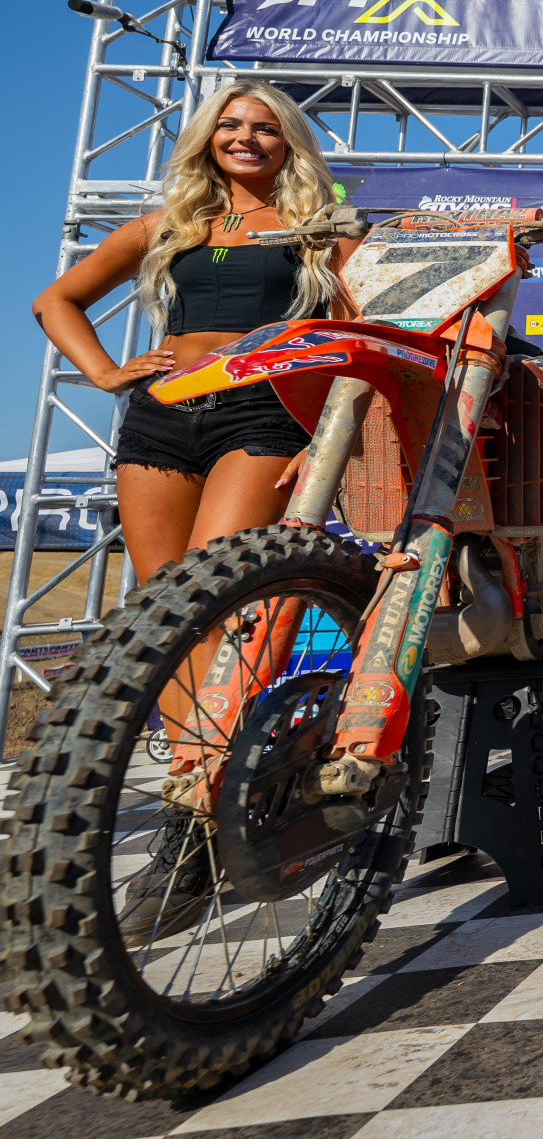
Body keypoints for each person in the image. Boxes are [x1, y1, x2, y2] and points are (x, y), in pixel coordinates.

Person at [32, 81, 358, 941]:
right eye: (230, 125)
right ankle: (195, 808)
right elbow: (53, 301)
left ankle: (216, 804)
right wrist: (105, 373)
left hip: (263, 413)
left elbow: (367, 320)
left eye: (264, 128)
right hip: (161, 414)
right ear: (208, 139)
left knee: (219, 606)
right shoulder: (168, 224)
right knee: (163, 611)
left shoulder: (321, 226)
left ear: (289, 144)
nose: (245, 137)